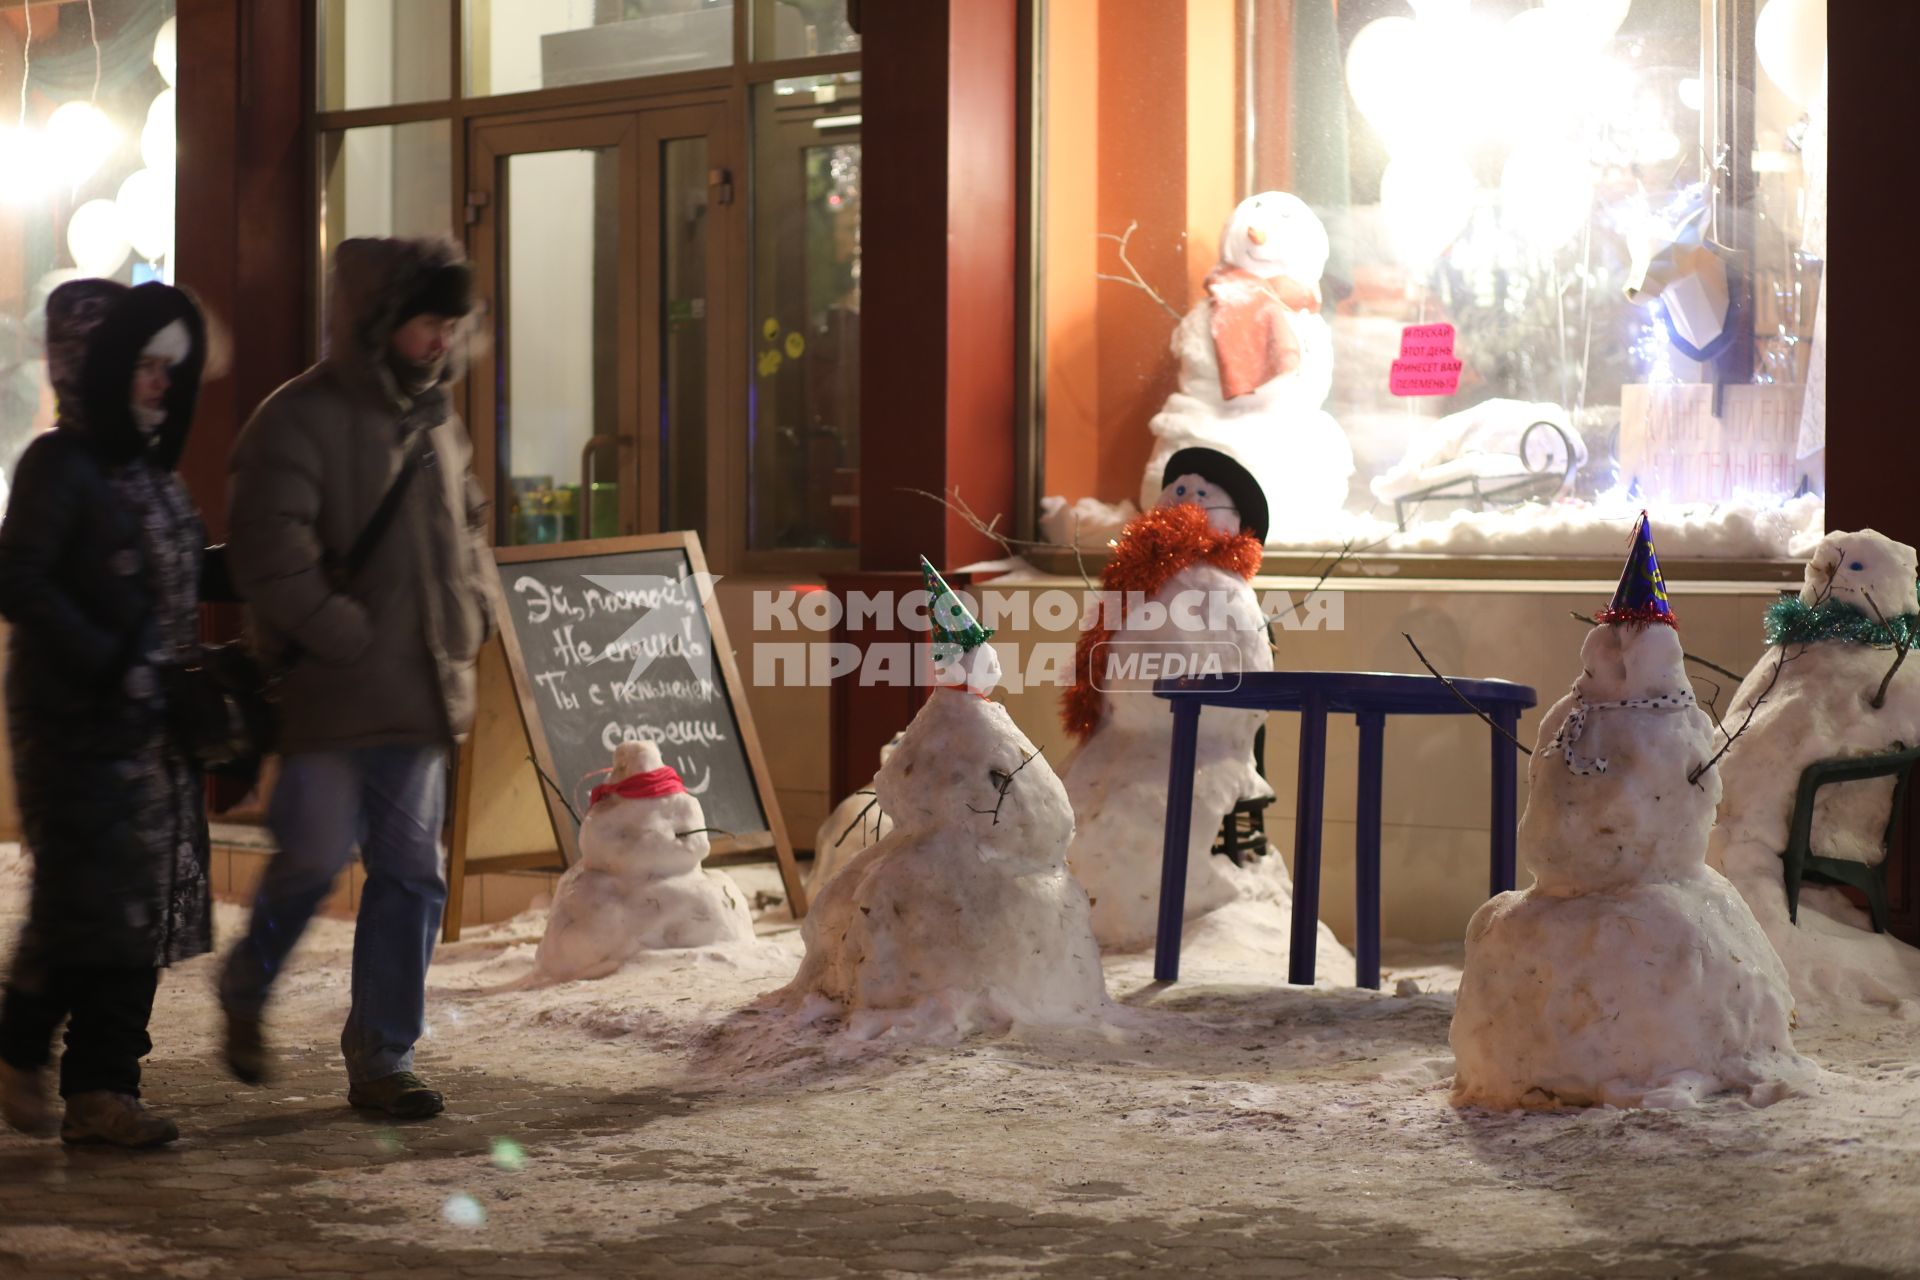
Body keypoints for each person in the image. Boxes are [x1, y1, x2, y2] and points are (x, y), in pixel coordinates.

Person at [218, 236, 491, 1119]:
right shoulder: (296, 419)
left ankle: (384, 1056)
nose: (443, 340)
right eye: (426, 322)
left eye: (451, 324)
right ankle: (248, 983)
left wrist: (475, 608)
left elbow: (471, 525)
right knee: (311, 859)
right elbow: (269, 551)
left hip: (418, 691)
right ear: (379, 323)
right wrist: (343, 634)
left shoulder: (439, 420)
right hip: (334, 694)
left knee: (412, 873)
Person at [0, 280, 213, 1148]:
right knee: (86, 901)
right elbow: (21, 580)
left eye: (172, 368)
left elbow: (175, 567)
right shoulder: (60, 465)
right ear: (102, 366)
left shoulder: (147, 464)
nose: (161, 384)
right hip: (78, 727)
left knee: (145, 905)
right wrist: (114, 662)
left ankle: (103, 1089)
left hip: (153, 728)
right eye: (146, 366)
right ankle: (17, 1048)